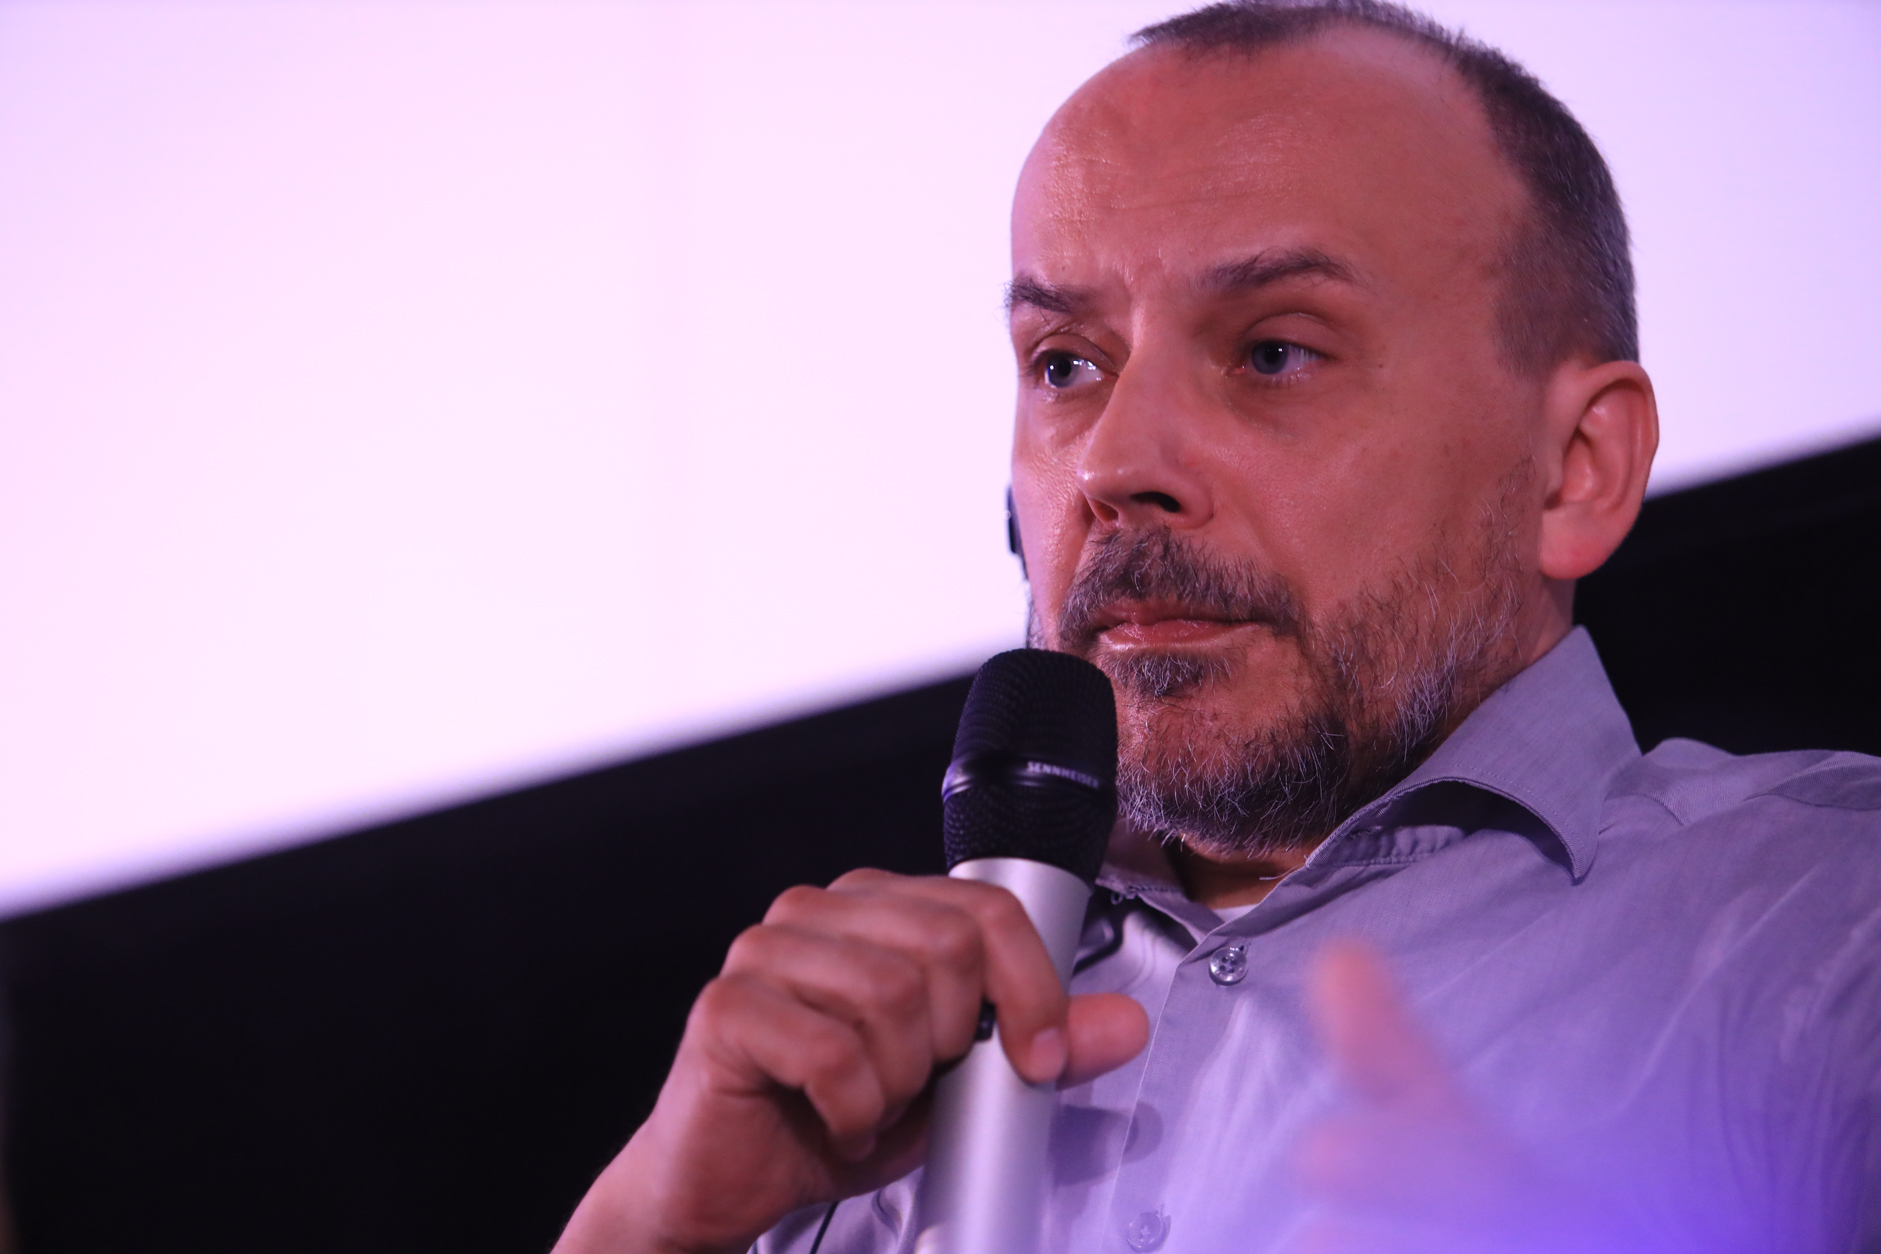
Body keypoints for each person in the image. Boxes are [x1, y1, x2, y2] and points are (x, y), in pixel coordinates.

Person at [554, 2, 1881, 1251]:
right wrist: (649, 1228)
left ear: (1574, 468)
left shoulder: (1829, 930)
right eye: (1066, 364)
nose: (1113, 461)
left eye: (1273, 352)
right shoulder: (860, 1085)